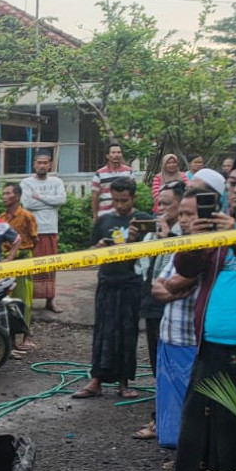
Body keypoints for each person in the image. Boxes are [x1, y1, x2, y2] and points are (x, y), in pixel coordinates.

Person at [130, 148, 236, 471]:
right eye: (232, 183)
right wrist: (195, 237)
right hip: (209, 343)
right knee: (196, 425)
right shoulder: (216, 222)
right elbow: (185, 268)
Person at [72, 176, 153, 400]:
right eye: (115, 200)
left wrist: (134, 243)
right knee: (102, 331)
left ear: (133, 198)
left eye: (124, 200)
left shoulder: (144, 221)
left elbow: (153, 253)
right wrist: (97, 248)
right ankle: (96, 379)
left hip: (131, 283)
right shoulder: (103, 221)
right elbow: (90, 251)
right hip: (107, 280)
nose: (119, 205)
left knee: (127, 332)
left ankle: (124, 382)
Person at [144, 190, 201, 448]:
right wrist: (171, 289)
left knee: (192, 408)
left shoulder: (208, 248)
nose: (185, 219)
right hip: (169, 335)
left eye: (191, 214)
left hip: (192, 339)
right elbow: (159, 286)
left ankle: (190, 463)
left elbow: (179, 281)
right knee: (171, 403)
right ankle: (178, 458)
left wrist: (171, 287)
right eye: (184, 214)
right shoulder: (179, 244)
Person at [132, 181, 185, 440]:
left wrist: (168, 239)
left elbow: (180, 266)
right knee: (156, 363)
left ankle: (165, 424)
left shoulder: (184, 232)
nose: (160, 208)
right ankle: (162, 420)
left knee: (173, 368)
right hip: (152, 304)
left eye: (167, 204)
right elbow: (143, 267)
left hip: (174, 308)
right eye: (159, 203)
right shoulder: (154, 231)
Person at [21, 153, 67, 313]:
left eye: (45, 163)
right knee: (31, 266)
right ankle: (29, 300)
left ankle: (50, 300)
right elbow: (27, 203)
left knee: (50, 266)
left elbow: (61, 200)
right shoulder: (26, 182)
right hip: (32, 231)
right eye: (39, 162)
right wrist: (50, 202)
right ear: (34, 164)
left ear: (50, 165)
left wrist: (39, 197)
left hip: (50, 229)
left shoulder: (56, 181)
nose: (42, 165)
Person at [1, 182, 38, 351]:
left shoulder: (26, 216)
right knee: (7, 298)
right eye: (3, 194)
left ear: (17, 196)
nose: (4, 196)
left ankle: (26, 335)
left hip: (23, 257)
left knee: (25, 299)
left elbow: (34, 239)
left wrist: (23, 255)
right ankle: (10, 338)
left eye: (8, 193)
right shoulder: (1, 218)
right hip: (6, 260)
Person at [89, 143, 134, 221]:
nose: (116, 155)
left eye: (119, 152)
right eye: (113, 152)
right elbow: (95, 197)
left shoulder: (129, 172)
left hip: (124, 214)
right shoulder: (99, 174)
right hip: (104, 214)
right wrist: (95, 215)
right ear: (107, 156)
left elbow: (132, 193)